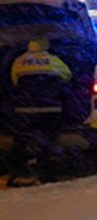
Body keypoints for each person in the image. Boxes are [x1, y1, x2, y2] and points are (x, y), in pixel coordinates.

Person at [8, 38, 72, 183]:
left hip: (25, 109)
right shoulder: (54, 60)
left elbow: (14, 80)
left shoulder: (19, 61)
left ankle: (17, 169)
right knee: (47, 138)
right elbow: (67, 76)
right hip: (50, 107)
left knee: (22, 139)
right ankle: (44, 170)